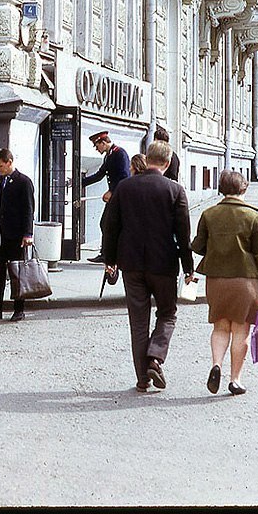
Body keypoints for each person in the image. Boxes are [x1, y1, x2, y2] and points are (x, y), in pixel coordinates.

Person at [102, 141, 195, 393]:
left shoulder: (125, 187)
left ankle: (142, 378)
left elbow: (111, 226)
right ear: (167, 163)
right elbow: (183, 234)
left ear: (147, 158)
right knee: (167, 313)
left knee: (138, 322)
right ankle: (155, 357)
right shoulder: (175, 190)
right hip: (164, 264)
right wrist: (189, 268)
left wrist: (110, 261)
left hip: (131, 263)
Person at [190, 171, 258, 396]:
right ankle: (235, 380)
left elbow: (198, 246)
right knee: (240, 331)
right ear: (244, 188)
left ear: (221, 189)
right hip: (246, 282)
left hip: (216, 281)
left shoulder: (208, 214)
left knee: (220, 327)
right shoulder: (253, 216)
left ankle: (216, 364)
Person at [0, 148, 35, 322]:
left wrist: (28, 233)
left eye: (1, 166)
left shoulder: (23, 181)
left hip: (17, 236)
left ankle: (19, 309)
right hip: (1, 235)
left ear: (9, 162)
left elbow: (28, 209)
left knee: (18, 273)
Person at [81, 131, 130, 263]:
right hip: (115, 196)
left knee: (108, 224)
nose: (96, 149)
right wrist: (80, 183)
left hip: (120, 196)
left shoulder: (120, 154)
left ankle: (109, 254)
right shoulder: (109, 156)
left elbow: (124, 177)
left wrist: (112, 191)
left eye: (97, 146)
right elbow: (99, 175)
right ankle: (106, 254)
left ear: (103, 143)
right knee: (105, 224)